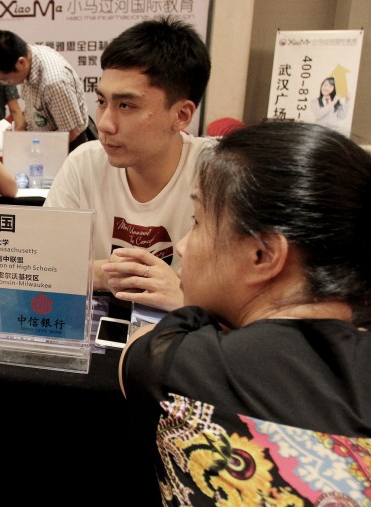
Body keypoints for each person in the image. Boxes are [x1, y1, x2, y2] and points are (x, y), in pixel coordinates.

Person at [119, 120, 371, 505]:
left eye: (199, 222)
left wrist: (186, 301)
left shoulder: (184, 365)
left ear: (263, 255)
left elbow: (135, 353)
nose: (184, 246)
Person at [44, 16, 213, 312]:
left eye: (126, 105)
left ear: (182, 115)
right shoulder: (85, 162)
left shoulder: (217, 172)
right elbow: (44, 265)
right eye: (101, 102)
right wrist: (107, 274)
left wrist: (188, 299)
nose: (105, 124)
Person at [0, 28, 90, 152]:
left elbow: (70, 134)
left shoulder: (54, 82)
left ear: (21, 63)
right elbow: (35, 107)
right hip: (44, 142)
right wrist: (20, 130)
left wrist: (31, 143)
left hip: (67, 149)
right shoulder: (29, 55)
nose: (5, 83)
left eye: (5, 79)